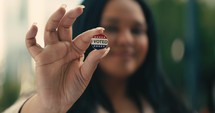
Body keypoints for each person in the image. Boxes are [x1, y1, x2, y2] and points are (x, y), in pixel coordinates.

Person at [4, 0, 192, 113]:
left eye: (137, 30)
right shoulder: (49, 103)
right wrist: (46, 107)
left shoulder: (170, 104)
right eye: (111, 28)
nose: (126, 39)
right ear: (85, 32)